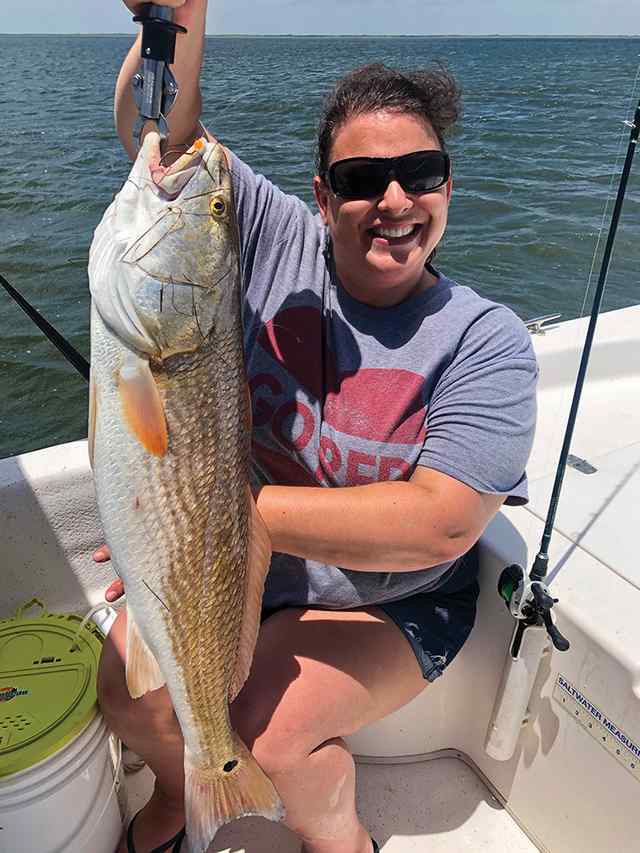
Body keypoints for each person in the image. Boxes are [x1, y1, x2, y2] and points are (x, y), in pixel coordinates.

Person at [96, 1, 538, 852]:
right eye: (362, 180)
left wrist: (216, 522)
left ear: (449, 184)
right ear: (321, 193)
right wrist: (179, 19)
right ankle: (175, 791)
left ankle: (340, 834)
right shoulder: (267, 234)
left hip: (395, 602)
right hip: (253, 573)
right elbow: (160, 138)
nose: (394, 200)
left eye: (421, 171)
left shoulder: (487, 341)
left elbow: (438, 524)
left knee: (265, 730)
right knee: (126, 689)